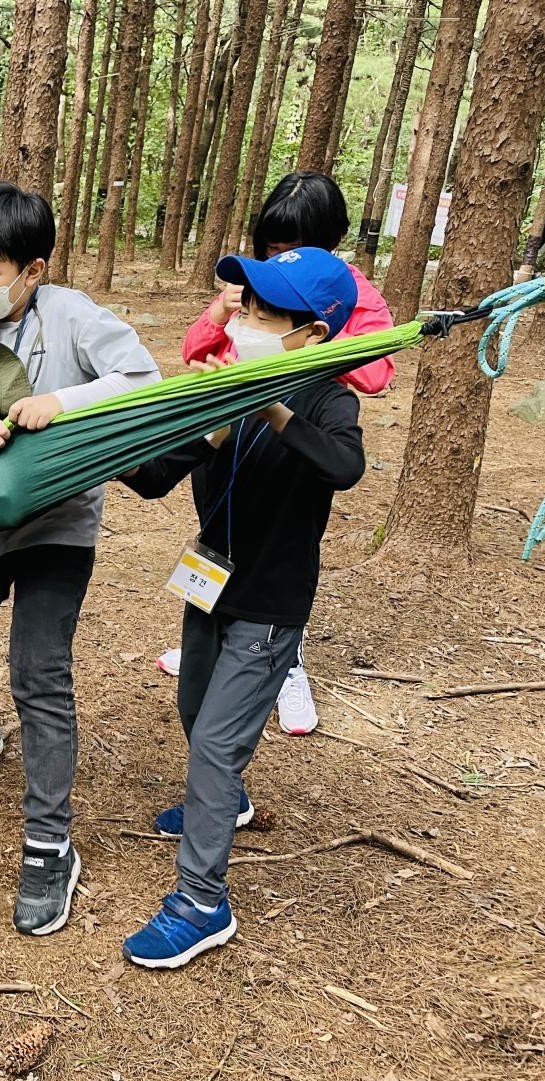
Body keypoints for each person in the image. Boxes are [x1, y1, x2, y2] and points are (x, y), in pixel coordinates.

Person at [0, 182, 160, 936]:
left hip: (59, 525)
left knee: (39, 674)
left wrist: (63, 403)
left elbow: (143, 378)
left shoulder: (74, 316)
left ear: (33, 270)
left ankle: (50, 844)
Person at [119, 247, 366, 968]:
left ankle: (201, 902)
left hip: (269, 607)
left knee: (216, 746)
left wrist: (273, 409)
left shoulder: (328, 398)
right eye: (243, 305)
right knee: (194, 711)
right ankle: (227, 803)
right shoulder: (227, 384)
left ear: (310, 334)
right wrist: (96, 437)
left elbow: (345, 467)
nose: (241, 321)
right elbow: (155, 478)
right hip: (210, 588)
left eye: (263, 313)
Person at [165, 171, 395, 737]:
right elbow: (196, 349)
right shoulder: (256, 284)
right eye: (271, 246)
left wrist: (297, 353)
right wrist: (226, 315)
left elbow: (376, 372)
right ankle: (213, 647)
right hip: (230, 439)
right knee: (222, 532)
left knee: (274, 563)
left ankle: (284, 664)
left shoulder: (348, 292)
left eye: (293, 246)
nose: (278, 258)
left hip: (286, 444)